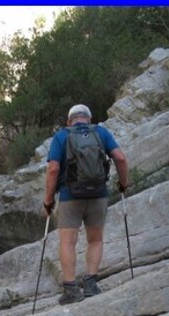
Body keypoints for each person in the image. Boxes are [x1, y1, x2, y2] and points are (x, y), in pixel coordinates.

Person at [43, 103, 128, 304]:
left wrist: (48, 200)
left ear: (69, 120)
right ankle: (90, 284)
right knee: (95, 240)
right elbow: (120, 158)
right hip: (98, 194)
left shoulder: (61, 136)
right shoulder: (100, 132)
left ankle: (71, 290)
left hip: (70, 196)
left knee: (67, 242)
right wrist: (123, 184)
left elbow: (53, 169)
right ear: (88, 119)